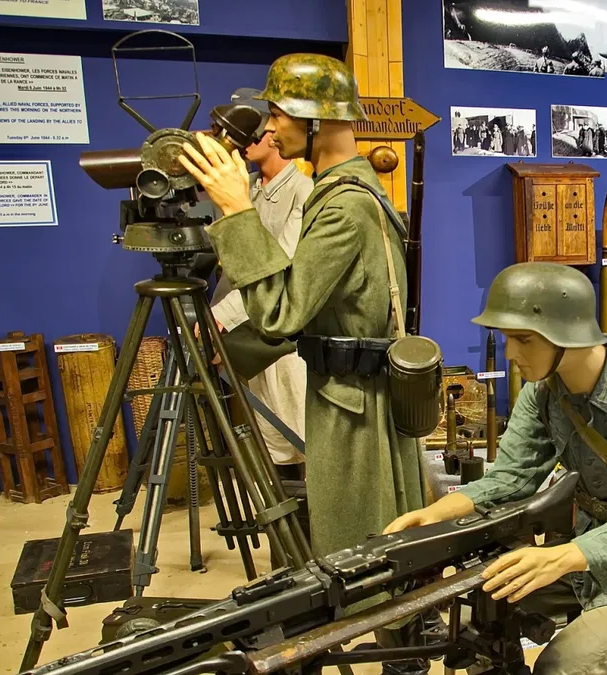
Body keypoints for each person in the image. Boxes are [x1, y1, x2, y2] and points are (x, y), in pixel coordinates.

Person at [383, 262, 607, 675]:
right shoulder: (545, 396)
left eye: (523, 339)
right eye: (506, 338)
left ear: (566, 335)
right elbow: (512, 477)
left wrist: (564, 557)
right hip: (579, 555)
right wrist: (436, 514)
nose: (511, 353)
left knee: (561, 664)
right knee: (477, 620)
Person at [177, 53, 427, 559]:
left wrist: (235, 210)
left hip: (351, 401)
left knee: (358, 545)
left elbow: (281, 313)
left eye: (278, 114)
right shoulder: (346, 193)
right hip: (348, 392)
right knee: (366, 532)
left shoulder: (343, 206)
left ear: (317, 118)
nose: (269, 129)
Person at [209, 89, 313, 473]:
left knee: (299, 431)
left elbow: (279, 267)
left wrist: (221, 320)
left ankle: (308, 525)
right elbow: (232, 266)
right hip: (246, 329)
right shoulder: (248, 189)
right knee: (270, 436)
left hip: (280, 338)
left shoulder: (304, 192)